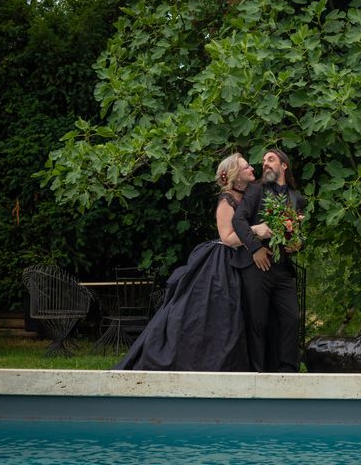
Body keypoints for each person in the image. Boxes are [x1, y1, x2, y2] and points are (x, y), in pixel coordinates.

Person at [114, 153, 271, 371]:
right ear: (235, 176)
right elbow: (227, 238)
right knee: (220, 313)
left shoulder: (251, 196)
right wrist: (255, 231)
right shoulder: (227, 200)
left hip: (245, 260)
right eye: (246, 168)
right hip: (223, 263)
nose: (252, 169)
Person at [231, 149, 305, 373]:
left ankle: (288, 371)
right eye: (263, 161)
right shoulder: (255, 190)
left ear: (284, 166)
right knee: (257, 322)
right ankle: (257, 373)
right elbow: (238, 219)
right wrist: (255, 248)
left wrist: (298, 244)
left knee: (291, 318)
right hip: (256, 267)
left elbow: (299, 234)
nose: (265, 164)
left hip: (282, 267)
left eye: (271, 160)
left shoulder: (296, 198)